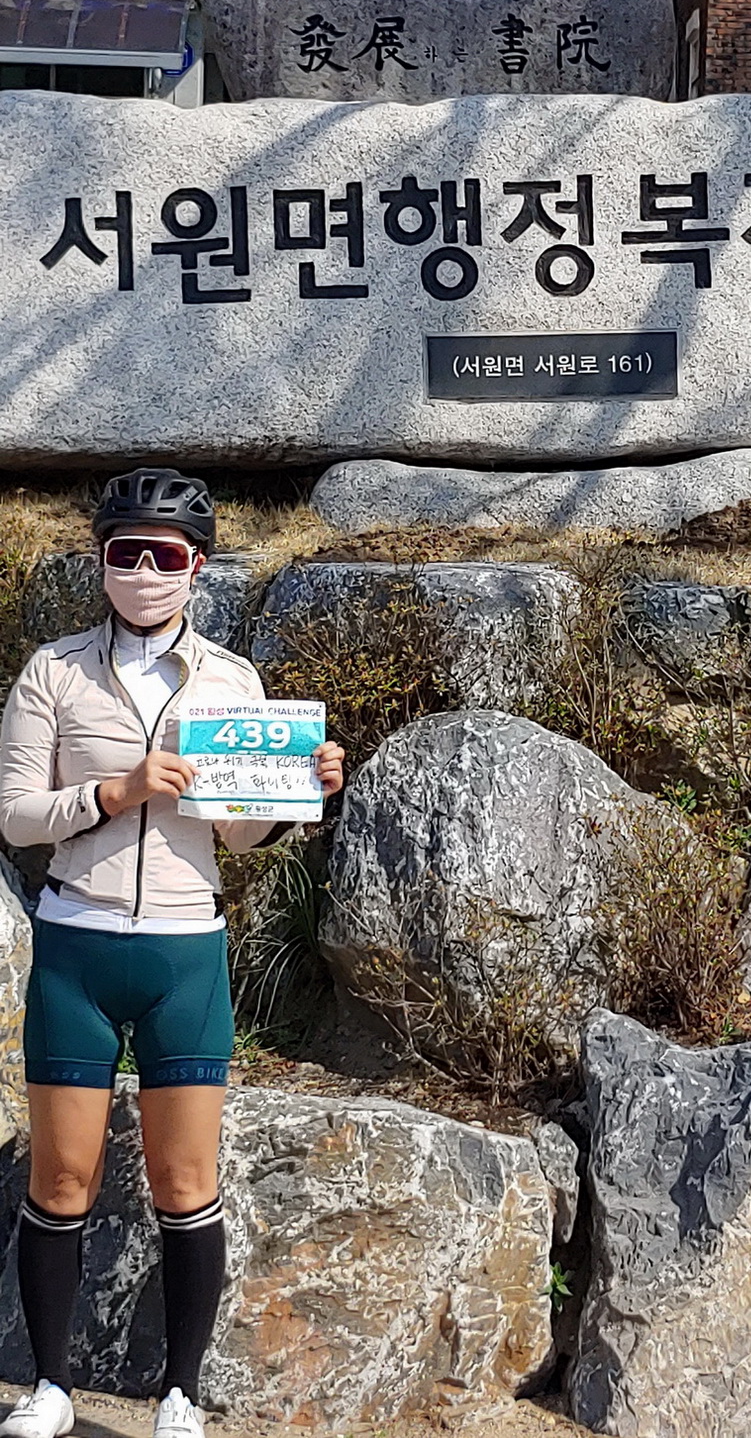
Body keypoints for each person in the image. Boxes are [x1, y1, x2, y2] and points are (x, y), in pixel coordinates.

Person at [0, 468, 344, 1438]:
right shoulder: (53, 672)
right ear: (100, 561)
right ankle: (51, 1388)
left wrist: (303, 791)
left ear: (198, 567)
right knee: (59, 1181)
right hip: (77, 942)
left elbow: (241, 834)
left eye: (165, 556)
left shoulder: (234, 681)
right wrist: (116, 792)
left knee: (186, 1184)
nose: (145, 572)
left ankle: (180, 1395)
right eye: (127, 553)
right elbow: (16, 816)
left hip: (186, 951)